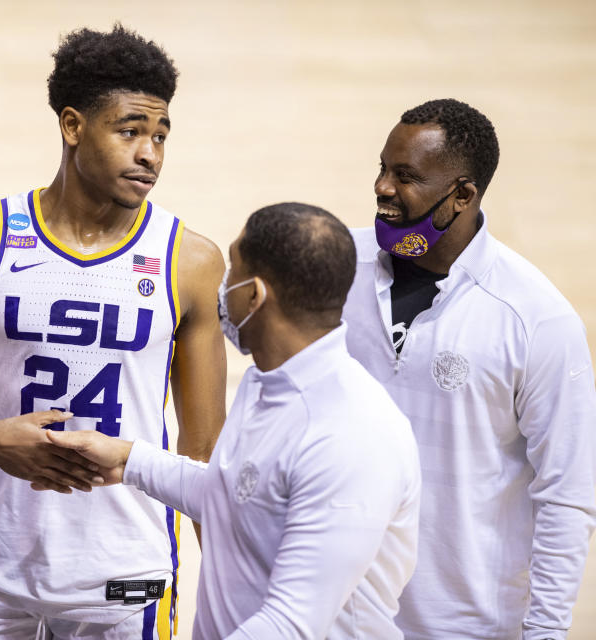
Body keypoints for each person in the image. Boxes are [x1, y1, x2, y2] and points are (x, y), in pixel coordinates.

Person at [0, 24, 227, 639]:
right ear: (73, 126)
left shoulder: (191, 260)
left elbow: (204, 454)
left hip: (129, 579)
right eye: (129, 131)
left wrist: (234, 588)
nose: (150, 154)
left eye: (160, 136)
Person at [44, 202, 422, 639]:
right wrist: (130, 460)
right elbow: (236, 499)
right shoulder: (267, 381)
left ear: (254, 295)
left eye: (231, 274)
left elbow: (291, 624)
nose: (220, 290)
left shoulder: (353, 435)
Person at [344, 98, 596, 639]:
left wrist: (546, 633)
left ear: (463, 195)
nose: (383, 187)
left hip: (466, 626)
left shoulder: (536, 318)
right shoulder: (337, 268)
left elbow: (567, 494)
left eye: (406, 176)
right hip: (340, 615)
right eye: (383, 169)